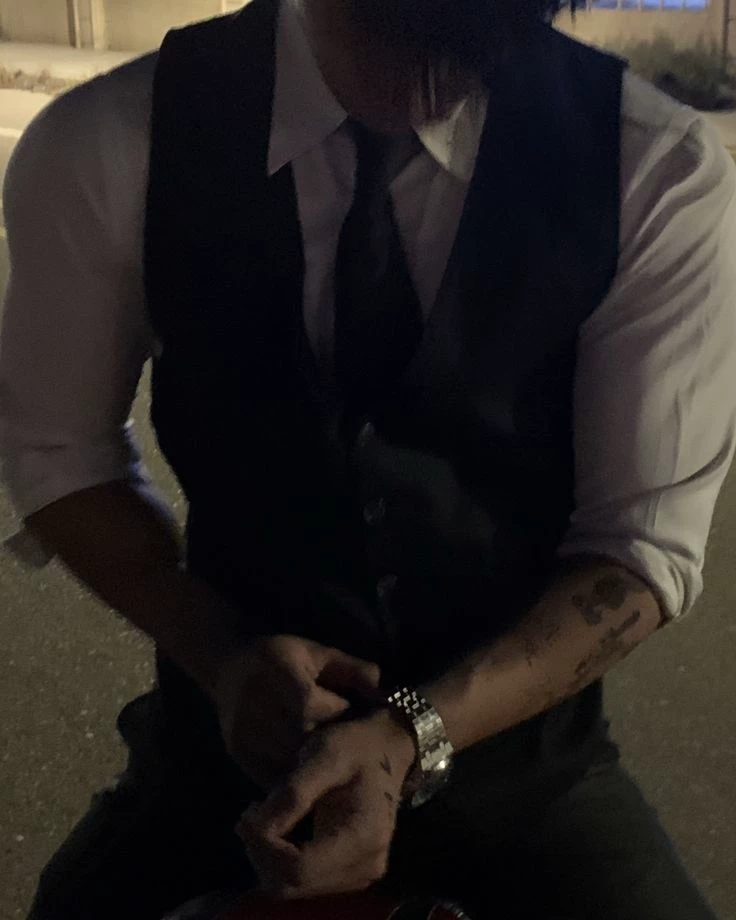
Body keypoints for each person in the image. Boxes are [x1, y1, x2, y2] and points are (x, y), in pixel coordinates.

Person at [1, 0, 735, 917]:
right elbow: (63, 457)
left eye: (470, 47)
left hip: (524, 774)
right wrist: (223, 659)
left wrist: (413, 732)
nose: (425, 82)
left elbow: (641, 548)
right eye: (389, 29)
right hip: (224, 748)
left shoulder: (654, 167)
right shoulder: (114, 141)